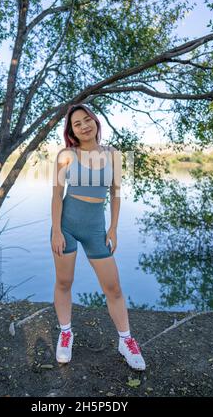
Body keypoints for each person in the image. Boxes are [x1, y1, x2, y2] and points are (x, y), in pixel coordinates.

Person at [50, 103, 146, 371]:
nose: (84, 125)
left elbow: (116, 193)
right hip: (66, 226)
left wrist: (113, 228)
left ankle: (126, 341)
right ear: (72, 131)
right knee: (64, 281)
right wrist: (57, 230)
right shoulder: (66, 155)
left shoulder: (114, 154)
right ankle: (66, 332)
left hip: (96, 229)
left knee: (113, 287)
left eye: (87, 119)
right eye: (77, 124)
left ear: (95, 121)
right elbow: (57, 194)